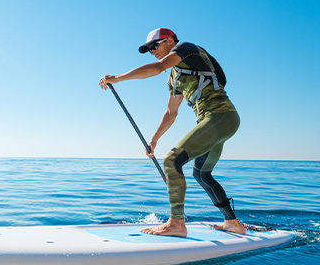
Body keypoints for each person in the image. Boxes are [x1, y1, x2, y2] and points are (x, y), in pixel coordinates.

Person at [99, 28, 245, 237]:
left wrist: (118, 78)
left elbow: (158, 67)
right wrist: (154, 140)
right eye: (149, 49)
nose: (152, 51)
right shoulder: (174, 77)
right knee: (201, 174)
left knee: (171, 161)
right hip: (216, 122)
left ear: (168, 41)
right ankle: (233, 223)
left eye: (154, 46)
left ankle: (176, 224)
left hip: (220, 116)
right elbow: (170, 112)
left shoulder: (187, 48)